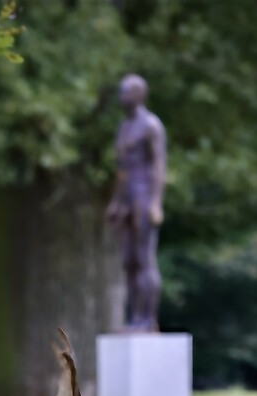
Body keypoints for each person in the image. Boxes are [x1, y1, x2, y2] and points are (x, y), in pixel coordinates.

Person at [107, 74, 166, 331]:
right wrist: (116, 201)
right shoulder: (124, 127)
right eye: (120, 93)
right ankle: (135, 317)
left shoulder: (151, 125)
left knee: (144, 259)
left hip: (143, 195)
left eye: (126, 93)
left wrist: (155, 202)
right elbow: (122, 169)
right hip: (128, 196)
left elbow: (158, 165)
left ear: (139, 94)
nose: (122, 98)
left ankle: (147, 318)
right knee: (128, 261)